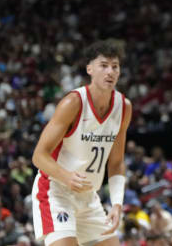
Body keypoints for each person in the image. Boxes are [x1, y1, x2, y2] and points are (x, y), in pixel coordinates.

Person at [31, 39, 132, 246]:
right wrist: (66, 176)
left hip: (89, 196)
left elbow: (116, 163)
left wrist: (117, 203)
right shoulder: (73, 102)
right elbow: (39, 155)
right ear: (90, 69)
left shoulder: (123, 107)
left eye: (115, 67)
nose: (110, 72)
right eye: (103, 66)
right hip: (56, 191)